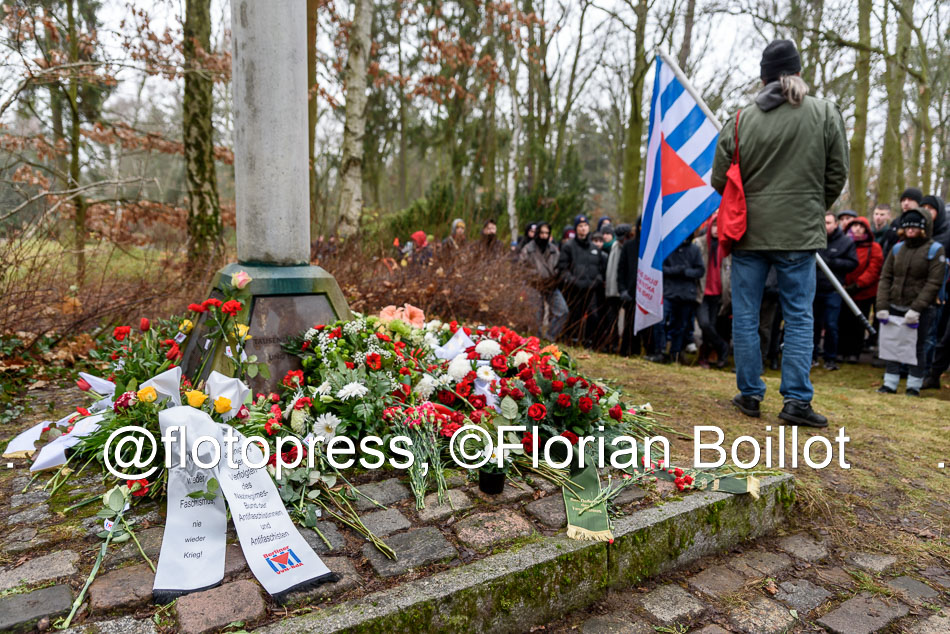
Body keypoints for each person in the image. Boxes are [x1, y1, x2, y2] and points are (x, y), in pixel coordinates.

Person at [711, 39, 848, 428]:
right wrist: (811, 207)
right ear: (799, 72)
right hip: (799, 233)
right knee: (800, 317)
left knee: (746, 315)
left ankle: (750, 395)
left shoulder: (740, 119)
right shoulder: (824, 113)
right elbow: (837, 172)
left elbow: (719, 179)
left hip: (749, 233)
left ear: (763, 76)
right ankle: (796, 401)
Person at [876, 208, 946, 396]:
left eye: (915, 227)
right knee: (891, 344)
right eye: (908, 227)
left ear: (924, 228)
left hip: (921, 310)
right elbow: (886, 276)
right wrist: (882, 305)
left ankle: (913, 386)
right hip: (894, 305)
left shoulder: (935, 250)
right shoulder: (898, 248)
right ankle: (889, 383)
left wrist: (917, 308)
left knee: (917, 346)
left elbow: (933, 282)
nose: (911, 230)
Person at [813, 211, 858, 370]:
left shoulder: (846, 242)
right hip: (814, 288)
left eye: (829, 223)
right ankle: (812, 356)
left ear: (836, 224)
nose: (825, 226)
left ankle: (830, 358)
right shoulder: (814, 237)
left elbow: (852, 263)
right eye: (823, 222)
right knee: (813, 324)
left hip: (833, 290)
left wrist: (831, 262)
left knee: (831, 324)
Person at [838, 216, 883, 363]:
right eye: (854, 226)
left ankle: (854, 352)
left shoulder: (874, 247)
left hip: (863, 292)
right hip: (842, 290)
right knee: (842, 321)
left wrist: (857, 285)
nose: (857, 229)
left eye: (860, 226)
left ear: (866, 229)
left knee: (858, 324)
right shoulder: (843, 244)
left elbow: (874, 269)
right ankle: (841, 351)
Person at [557, 214, 604, 346]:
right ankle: (572, 340)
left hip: (591, 289)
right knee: (574, 316)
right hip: (575, 289)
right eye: (580, 226)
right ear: (576, 228)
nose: (583, 228)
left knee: (593, 317)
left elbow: (601, 269)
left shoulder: (595, 249)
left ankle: (588, 342)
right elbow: (563, 269)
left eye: (585, 226)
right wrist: (573, 281)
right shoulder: (568, 247)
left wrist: (597, 281)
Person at [520, 222, 569, 340]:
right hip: (534, 285)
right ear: (537, 233)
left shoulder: (553, 249)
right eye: (541, 233)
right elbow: (521, 268)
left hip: (551, 285)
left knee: (562, 311)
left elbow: (560, 266)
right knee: (536, 316)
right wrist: (536, 277)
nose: (544, 236)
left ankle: (549, 336)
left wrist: (556, 279)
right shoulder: (528, 249)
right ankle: (535, 340)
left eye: (547, 233)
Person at [695, 212, 731, 368]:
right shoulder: (700, 244)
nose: (716, 229)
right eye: (714, 225)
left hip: (718, 294)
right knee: (704, 324)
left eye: (719, 226)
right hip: (702, 292)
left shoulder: (726, 246)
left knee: (712, 325)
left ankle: (704, 356)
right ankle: (722, 346)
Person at [660, 237, 705, 364]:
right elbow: (661, 267)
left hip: (686, 294)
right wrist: (677, 270)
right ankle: (661, 350)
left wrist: (686, 272)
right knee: (661, 321)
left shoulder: (694, 249)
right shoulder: (668, 247)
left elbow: (700, 270)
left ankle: (675, 353)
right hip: (669, 292)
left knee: (681, 325)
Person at [617, 220, 642, 357]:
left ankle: (640, 351)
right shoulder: (629, 246)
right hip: (630, 292)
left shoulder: (654, 247)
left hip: (646, 293)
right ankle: (625, 351)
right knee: (629, 324)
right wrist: (622, 290)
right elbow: (621, 270)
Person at [880, 188, 923, 258]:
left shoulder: (924, 222)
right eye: (903, 200)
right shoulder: (895, 223)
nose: (906, 203)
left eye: (910, 200)